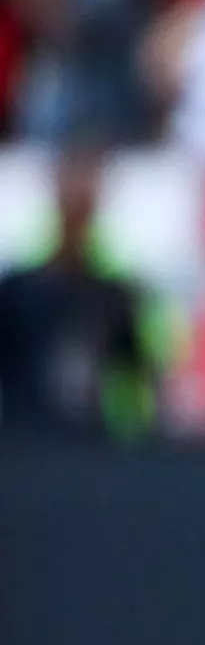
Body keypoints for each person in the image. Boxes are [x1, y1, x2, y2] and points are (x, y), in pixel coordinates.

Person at [0, 144, 159, 441]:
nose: (78, 201)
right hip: (22, 448)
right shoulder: (16, 289)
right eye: (71, 188)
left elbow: (144, 379)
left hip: (88, 452)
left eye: (85, 193)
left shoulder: (114, 296)